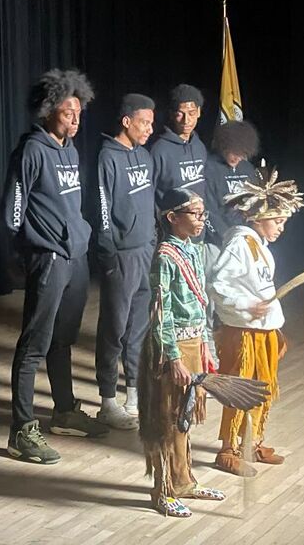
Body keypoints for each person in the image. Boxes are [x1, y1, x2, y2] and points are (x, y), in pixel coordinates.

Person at [3, 68, 108, 465]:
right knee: (34, 344)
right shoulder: (31, 150)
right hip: (48, 258)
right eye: (67, 113)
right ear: (48, 112)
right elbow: (13, 210)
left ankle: (64, 411)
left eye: (78, 112)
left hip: (75, 257)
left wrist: (77, 236)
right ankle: (21, 430)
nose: (75, 119)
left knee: (63, 339)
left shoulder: (70, 150)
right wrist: (32, 250)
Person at [210, 167, 304, 474]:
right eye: (277, 221)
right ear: (257, 217)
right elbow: (217, 284)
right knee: (241, 389)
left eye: (283, 222)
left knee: (263, 388)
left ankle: (252, 441)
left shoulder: (260, 247)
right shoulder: (240, 243)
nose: (281, 228)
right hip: (243, 333)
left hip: (263, 331)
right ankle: (228, 449)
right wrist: (247, 305)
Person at [138, 189, 227, 517]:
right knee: (166, 418)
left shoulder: (194, 251)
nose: (202, 220)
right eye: (194, 214)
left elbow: (204, 308)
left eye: (203, 214)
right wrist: (173, 358)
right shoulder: (165, 256)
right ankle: (162, 489)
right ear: (172, 218)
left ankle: (184, 480)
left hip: (195, 346)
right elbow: (161, 313)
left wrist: (209, 350)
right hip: (170, 349)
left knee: (185, 417)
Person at [93, 93, 157, 430]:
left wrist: (153, 242)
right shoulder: (108, 158)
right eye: (144, 122)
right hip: (121, 256)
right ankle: (107, 401)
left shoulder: (145, 156)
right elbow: (102, 208)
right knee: (113, 329)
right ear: (126, 121)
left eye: (151, 122)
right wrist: (109, 252)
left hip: (145, 251)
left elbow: (148, 204)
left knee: (138, 328)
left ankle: (134, 391)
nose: (149, 129)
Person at [203, 118, 262, 248]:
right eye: (235, 152)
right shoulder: (209, 168)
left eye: (243, 154)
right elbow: (209, 211)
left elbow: (256, 206)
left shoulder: (247, 169)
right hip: (218, 242)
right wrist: (227, 238)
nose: (238, 158)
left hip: (246, 239)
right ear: (224, 145)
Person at [149, 84, 207, 212]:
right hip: (170, 227)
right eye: (180, 114)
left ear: (198, 112)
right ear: (171, 114)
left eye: (191, 113)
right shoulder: (159, 150)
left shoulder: (199, 146)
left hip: (198, 225)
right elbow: (149, 194)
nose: (186, 120)